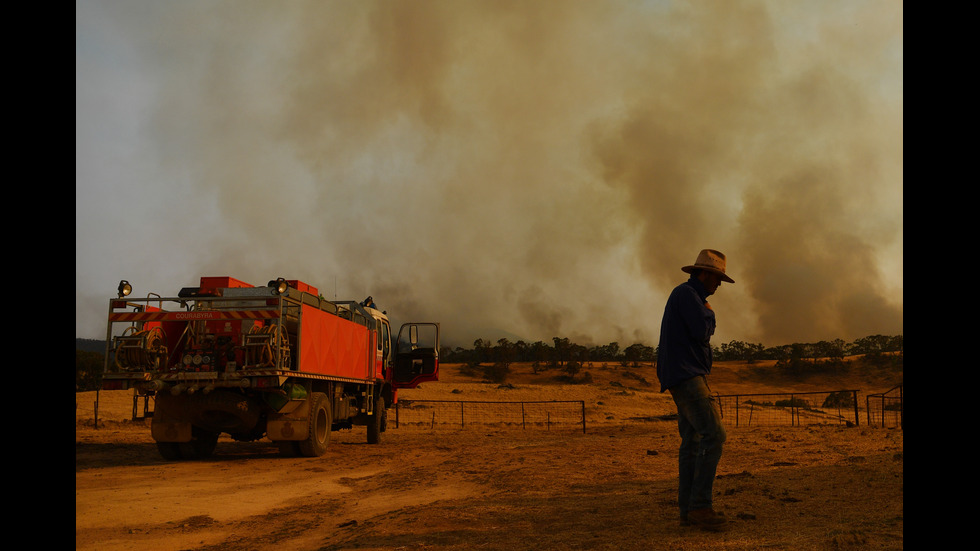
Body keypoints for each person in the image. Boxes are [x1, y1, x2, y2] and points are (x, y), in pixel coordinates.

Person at [657, 249, 734, 532]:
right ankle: (700, 506)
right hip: (687, 375)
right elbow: (702, 331)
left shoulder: (685, 295)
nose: (719, 285)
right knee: (714, 434)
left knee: (691, 441)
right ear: (704, 274)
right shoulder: (690, 297)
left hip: (681, 374)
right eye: (717, 279)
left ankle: (687, 511)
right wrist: (711, 315)